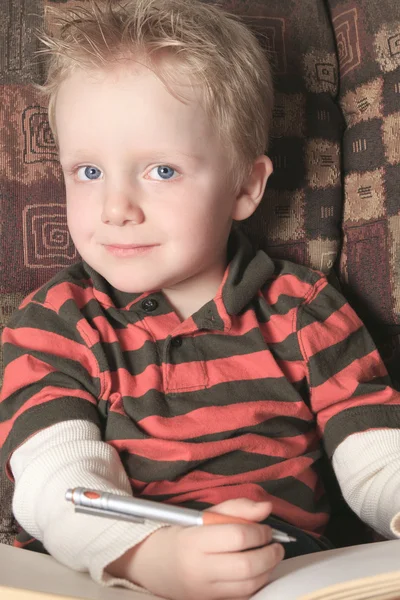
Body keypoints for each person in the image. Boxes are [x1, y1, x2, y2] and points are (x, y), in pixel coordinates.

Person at [1, 0, 400, 598]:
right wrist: (146, 557)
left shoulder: (305, 310)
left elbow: (374, 457)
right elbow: (57, 480)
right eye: (87, 172)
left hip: (281, 568)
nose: (115, 208)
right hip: (104, 571)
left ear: (244, 187)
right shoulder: (53, 323)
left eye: (161, 171)